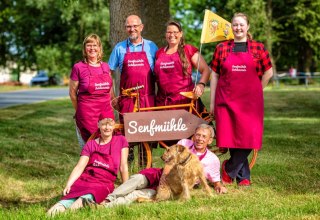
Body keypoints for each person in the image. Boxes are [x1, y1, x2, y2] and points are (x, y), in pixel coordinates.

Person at [85, 124, 226, 208]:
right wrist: (163, 178)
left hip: (173, 187)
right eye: (197, 135)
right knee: (136, 179)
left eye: (203, 136)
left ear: (210, 140)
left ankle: (104, 206)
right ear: (193, 136)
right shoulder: (183, 143)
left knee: (137, 193)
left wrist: (219, 186)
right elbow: (169, 162)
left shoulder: (212, 160)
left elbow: (215, 181)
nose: (199, 139)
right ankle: (108, 198)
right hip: (162, 174)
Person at [209, 12, 273, 186]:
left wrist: (258, 90)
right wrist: (212, 102)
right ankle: (243, 177)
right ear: (231, 26)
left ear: (248, 27)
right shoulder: (221, 48)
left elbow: (269, 72)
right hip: (226, 100)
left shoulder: (258, 48)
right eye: (235, 24)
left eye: (241, 25)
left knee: (249, 137)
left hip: (250, 103)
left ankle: (229, 169)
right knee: (231, 136)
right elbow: (214, 75)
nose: (238, 28)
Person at [47, 117, 129, 216]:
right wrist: (69, 184)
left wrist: (126, 189)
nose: (107, 127)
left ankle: (68, 215)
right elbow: (79, 167)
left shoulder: (121, 140)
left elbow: (123, 167)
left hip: (103, 183)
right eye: (103, 124)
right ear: (98, 125)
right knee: (63, 203)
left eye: (110, 124)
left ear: (114, 125)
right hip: (86, 179)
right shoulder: (91, 144)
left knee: (81, 201)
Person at [108, 15, 158, 121]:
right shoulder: (119, 48)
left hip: (148, 100)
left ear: (141, 27)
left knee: (149, 133)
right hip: (127, 101)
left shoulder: (151, 46)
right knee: (128, 134)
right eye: (128, 26)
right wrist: (112, 97)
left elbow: (160, 73)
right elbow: (107, 73)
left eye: (135, 26)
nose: (132, 29)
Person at [69, 34, 114, 147]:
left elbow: (110, 92)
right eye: (89, 45)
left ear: (99, 48)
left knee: (108, 146)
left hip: (106, 114)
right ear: (85, 48)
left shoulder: (106, 67)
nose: (92, 48)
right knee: (90, 148)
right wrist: (79, 111)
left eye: (95, 45)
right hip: (87, 115)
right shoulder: (78, 67)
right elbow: (72, 93)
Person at [154, 21, 211, 107]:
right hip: (163, 103)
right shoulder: (159, 53)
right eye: (169, 32)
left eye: (175, 32)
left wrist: (201, 84)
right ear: (165, 35)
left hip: (185, 101)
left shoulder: (188, 50)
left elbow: (206, 70)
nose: (172, 35)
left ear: (181, 34)